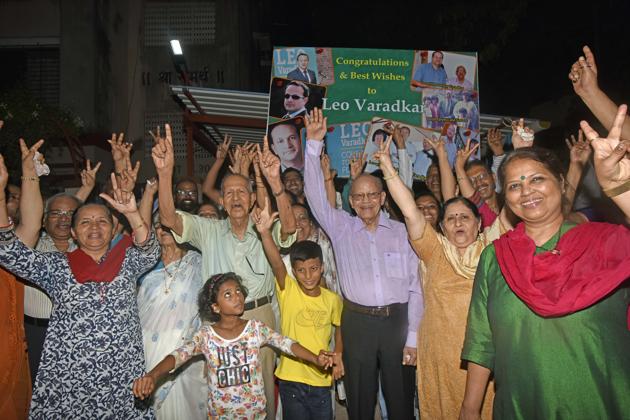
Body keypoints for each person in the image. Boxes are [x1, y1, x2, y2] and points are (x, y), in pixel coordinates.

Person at [460, 143, 630, 419]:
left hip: (601, 399)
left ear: (562, 183)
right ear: (507, 198)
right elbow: (482, 339)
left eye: (537, 178)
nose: (526, 191)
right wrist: (470, 408)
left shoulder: (606, 243)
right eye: (515, 185)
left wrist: (620, 188)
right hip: (521, 403)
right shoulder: (497, 257)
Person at [153, 125, 297, 419]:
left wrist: (275, 183)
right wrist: (166, 173)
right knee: (224, 392)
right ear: (221, 199)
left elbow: (291, 229)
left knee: (263, 392)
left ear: (252, 197)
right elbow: (169, 218)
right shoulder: (209, 230)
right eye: (228, 192)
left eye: (241, 191)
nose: (235, 197)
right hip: (218, 322)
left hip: (259, 315)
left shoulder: (264, 228)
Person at [0, 171, 159, 418]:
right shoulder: (56, 265)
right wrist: (0, 194)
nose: (94, 227)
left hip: (121, 374)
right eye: (85, 222)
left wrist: (131, 213)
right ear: (73, 233)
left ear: (113, 229)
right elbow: (9, 253)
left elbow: (150, 250)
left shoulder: (127, 260)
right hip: (70, 376)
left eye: (102, 221)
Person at [374, 135, 507, 419]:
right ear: (443, 227)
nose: (458, 222)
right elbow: (410, 211)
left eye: (465, 217)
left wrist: (519, 150)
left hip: (485, 356)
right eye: (451, 218)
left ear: (479, 223)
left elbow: (514, 207)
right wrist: (388, 167)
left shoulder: (494, 246)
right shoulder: (434, 250)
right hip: (439, 355)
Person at [303, 109, 422, 420]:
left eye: (372, 195)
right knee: (359, 402)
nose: (366, 201)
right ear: (351, 201)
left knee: (400, 403)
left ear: (383, 198)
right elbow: (315, 196)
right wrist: (314, 144)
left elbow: (415, 287)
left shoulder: (402, 232)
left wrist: (413, 337)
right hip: (357, 323)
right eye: (359, 197)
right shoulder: (341, 227)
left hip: (397, 322)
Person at [132, 272, 334, 419]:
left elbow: (287, 344)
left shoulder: (255, 329)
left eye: (238, 291)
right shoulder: (206, 336)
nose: (237, 297)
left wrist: (316, 358)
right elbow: (177, 356)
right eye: (228, 294)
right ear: (215, 307)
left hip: (255, 415)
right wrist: (152, 375)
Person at [254, 198, 343, 419]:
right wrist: (265, 233)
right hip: (290, 378)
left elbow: (340, 327)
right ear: (293, 271)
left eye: (313, 269)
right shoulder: (289, 292)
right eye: (301, 270)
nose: (308, 275)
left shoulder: (332, 299)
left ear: (322, 268)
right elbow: (276, 263)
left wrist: (339, 354)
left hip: (320, 378)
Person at [136, 214, 206, 420]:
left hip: (187, 352)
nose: (164, 230)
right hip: (149, 349)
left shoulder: (199, 262)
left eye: (169, 226)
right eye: (159, 226)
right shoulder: (145, 266)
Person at [286, 203, 340, 294]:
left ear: (310, 223)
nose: (297, 223)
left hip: (331, 303)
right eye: (292, 219)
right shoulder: (281, 254)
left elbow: (330, 210)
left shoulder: (324, 242)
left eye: (302, 218)